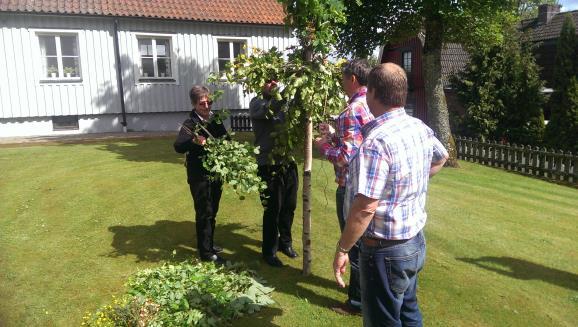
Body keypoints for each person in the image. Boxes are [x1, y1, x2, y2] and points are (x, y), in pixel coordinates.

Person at [333, 63, 448, 326]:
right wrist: (408, 180)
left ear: (372, 92)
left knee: (383, 321)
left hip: (385, 251)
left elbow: (365, 207)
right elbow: (442, 157)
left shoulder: (376, 141)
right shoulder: (418, 127)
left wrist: (343, 248)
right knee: (409, 314)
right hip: (414, 243)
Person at [314, 59, 374, 315]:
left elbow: (345, 157)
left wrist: (323, 146)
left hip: (350, 185)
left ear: (352, 79)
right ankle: (364, 294)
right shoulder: (369, 105)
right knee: (364, 244)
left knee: (353, 244)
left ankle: (357, 303)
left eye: (342, 77)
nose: (340, 81)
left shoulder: (352, 110)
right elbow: (356, 142)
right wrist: (334, 133)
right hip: (368, 182)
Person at [174, 85, 229, 264]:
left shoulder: (215, 120)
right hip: (199, 175)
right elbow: (178, 146)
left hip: (215, 172)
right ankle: (206, 253)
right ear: (194, 104)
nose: (206, 106)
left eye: (209, 102)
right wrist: (194, 141)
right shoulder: (190, 123)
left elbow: (226, 139)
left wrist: (227, 146)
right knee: (204, 212)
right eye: (202, 103)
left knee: (213, 210)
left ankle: (208, 244)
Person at [249, 79, 299, 268]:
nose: (272, 84)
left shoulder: (285, 104)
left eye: (274, 80)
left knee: (289, 205)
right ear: (260, 85)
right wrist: (290, 89)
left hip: (288, 161)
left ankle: (285, 243)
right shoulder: (256, 103)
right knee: (272, 209)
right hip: (268, 164)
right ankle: (269, 251)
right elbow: (271, 108)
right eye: (267, 82)